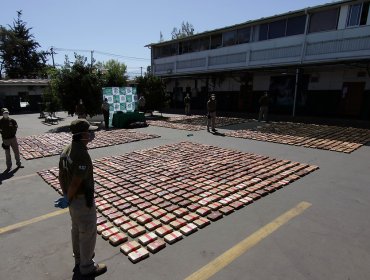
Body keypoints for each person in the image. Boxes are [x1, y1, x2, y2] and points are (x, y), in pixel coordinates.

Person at [55, 119, 107, 277]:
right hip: (82, 200)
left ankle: (79, 259)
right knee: (88, 232)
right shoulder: (81, 154)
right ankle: (87, 267)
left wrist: (66, 196)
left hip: (72, 201)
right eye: (89, 132)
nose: (92, 134)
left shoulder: (67, 149)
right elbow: (77, 180)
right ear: (83, 134)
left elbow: (62, 175)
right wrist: (69, 195)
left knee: (76, 230)